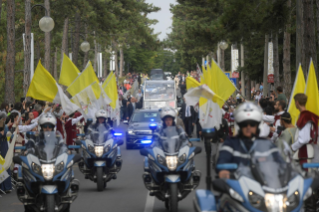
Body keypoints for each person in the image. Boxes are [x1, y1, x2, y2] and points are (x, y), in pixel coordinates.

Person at [217, 102, 264, 179]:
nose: (248, 127)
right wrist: (224, 172)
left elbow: (280, 163)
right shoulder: (230, 143)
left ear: (258, 126)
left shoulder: (265, 144)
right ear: (239, 125)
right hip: (238, 184)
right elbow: (223, 160)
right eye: (244, 124)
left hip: (263, 185)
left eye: (252, 124)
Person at [291, 93, 319, 167]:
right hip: (305, 151)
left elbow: (304, 139)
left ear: (297, 102)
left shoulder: (305, 116)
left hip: (305, 152)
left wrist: (292, 147)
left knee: (305, 176)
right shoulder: (307, 115)